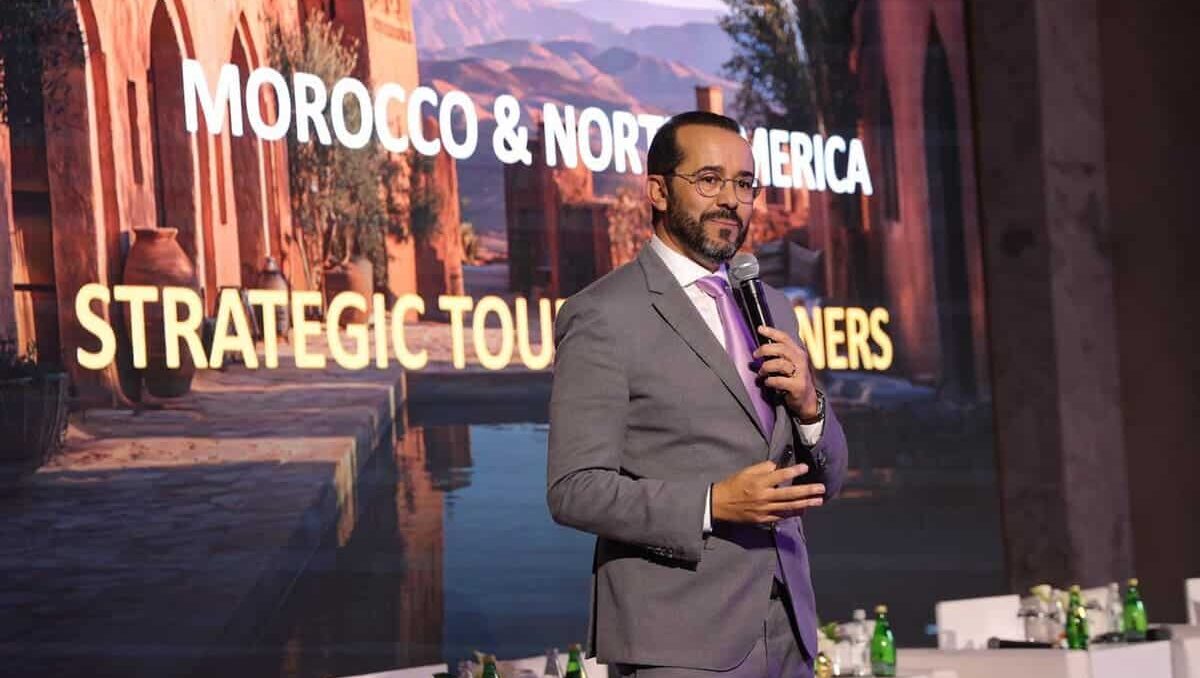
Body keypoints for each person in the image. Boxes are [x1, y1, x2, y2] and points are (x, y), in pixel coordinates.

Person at [546, 110, 849, 678]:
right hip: (679, 642)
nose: (731, 199)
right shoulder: (604, 314)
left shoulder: (773, 307)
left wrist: (811, 407)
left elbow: (826, 481)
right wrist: (712, 504)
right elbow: (574, 490)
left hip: (789, 633)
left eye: (744, 184)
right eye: (709, 180)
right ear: (658, 191)